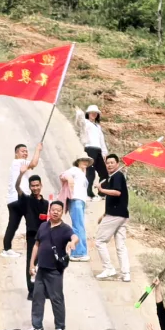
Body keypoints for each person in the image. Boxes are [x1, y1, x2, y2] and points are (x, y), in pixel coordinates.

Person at [27, 200, 77, 330]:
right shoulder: (43, 226)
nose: (55, 212)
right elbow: (36, 245)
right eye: (53, 209)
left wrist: (72, 243)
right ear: (50, 211)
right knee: (37, 297)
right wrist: (32, 264)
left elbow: (75, 237)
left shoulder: (65, 228)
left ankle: (60, 327)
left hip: (54, 271)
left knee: (57, 299)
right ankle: (37, 326)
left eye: (58, 210)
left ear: (62, 213)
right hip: (41, 269)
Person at [94, 154, 130, 283]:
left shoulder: (117, 176)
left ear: (117, 163)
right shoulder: (113, 177)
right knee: (120, 245)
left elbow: (117, 192)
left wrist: (101, 189)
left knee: (99, 241)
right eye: (107, 163)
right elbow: (115, 199)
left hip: (115, 215)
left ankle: (108, 268)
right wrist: (104, 214)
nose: (109, 165)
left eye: (112, 163)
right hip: (121, 214)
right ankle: (126, 273)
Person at [2, 142, 41, 258]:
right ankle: (34, 246)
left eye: (26, 151)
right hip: (21, 197)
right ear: (16, 153)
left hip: (12, 199)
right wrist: (38, 149)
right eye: (22, 151)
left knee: (13, 225)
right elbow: (34, 163)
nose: (25, 153)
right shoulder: (19, 162)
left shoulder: (15, 164)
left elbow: (31, 165)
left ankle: (7, 249)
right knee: (32, 221)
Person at [20, 175, 50, 300]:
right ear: (30, 187)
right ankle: (31, 290)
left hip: (45, 235)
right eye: (33, 186)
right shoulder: (27, 200)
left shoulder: (46, 203)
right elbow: (17, 188)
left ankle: (45, 289)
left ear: (41, 185)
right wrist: (21, 175)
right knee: (31, 262)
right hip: (32, 235)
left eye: (37, 185)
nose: (35, 188)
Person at [59, 156, 94, 262]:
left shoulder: (83, 173)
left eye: (87, 161)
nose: (85, 162)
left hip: (80, 201)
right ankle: (79, 252)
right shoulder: (75, 170)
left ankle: (79, 252)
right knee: (78, 226)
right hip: (76, 200)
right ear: (78, 162)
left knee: (79, 226)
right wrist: (69, 179)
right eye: (83, 160)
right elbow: (63, 175)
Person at [74, 105, 109, 197]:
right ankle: (88, 192)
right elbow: (79, 122)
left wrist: (104, 152)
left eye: (95, 113)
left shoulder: (98, 126)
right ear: (88, 113)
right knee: (91, 171)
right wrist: (79, 113)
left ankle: (102, 192)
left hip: (98, 150)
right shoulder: (85, 122)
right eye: (92, 112)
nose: (94, 114)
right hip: (90, 148)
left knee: (104, 173)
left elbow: (101, 140)